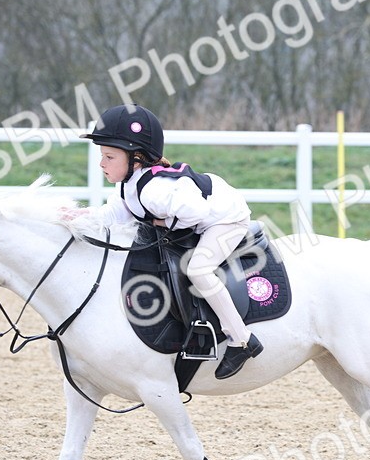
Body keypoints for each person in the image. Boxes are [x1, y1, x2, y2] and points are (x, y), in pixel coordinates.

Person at [62, 104, 263, 379]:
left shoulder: (155, 190)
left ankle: (242, 339)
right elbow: (116, 213)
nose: (101, 163)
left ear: (137, 158)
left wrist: (160, 223)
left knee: (199, 270)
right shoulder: (128, 184)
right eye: (102, 156)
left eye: (109, 156)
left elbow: (196, 212)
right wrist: (80, 215)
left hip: (227, 220)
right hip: (204, 215)